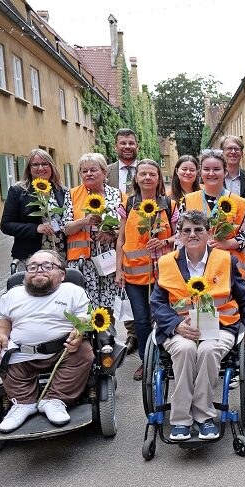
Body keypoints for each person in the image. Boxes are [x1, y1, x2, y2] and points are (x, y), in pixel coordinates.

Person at [151, 211, 245, 441]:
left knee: (209, 350)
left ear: (208, 232)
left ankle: (204, 416)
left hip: (220, 326)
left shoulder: (225, 259)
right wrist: (177, 325)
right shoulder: (166, 263)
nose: (193, 234)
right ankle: (180, 419)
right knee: (185, 349)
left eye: (198, 229)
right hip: (181, 328)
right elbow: (157, 304)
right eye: (187, 230)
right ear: (179, 235)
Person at [0, 250, 94, 432]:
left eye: (47, 266)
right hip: (21, 353)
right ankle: (23, 403)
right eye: (33, 266)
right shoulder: (13, 294)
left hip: (62, 352)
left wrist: (78, 334)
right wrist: (1, 333)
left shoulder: (73, 291)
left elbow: (84, 317)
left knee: (84, 351)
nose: (39, 270)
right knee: (1, 353)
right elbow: (1, 316)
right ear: (25, 274)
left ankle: (55, 400)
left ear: (62, 275)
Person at [115, 159, 178, 380]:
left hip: (163, 275)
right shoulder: (128, 204)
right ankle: (146, 360)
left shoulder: (169, 205)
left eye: (152, 174)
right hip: (133, 275)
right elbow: (121, 238)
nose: (148, 178)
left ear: (159, 178)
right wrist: (118, 270)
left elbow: (179, 236)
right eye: (143, 174)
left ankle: (163, 357)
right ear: (137, 178)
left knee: (162, 318)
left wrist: (165, 241)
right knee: (141, 320)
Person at [63, 153, 123, 315]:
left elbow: (125, 226)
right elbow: (66, 228)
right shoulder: (73, 194)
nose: (88, 174)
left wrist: (112, 233)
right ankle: (88, 339)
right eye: (84, 171)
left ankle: (106, 338)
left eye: (93, 170)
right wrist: (84, 221)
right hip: (82, 261)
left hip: (109, 258)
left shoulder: (117, 195)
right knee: (84, 305)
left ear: (104, 172)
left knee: (108, 303)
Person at [183, 149, 245, 279]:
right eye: (206, 169)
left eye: (216, 169)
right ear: (200, 172)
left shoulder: (240, 202)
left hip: (230, 268)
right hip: (195, 267)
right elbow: (179, 237)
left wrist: (228, 243)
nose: (211, 173)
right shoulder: (188, 200)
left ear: (225, 171)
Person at [0, 149, 67, 266]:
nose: (40, 168)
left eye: (45, 164)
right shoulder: (18, 191)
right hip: (30, 255)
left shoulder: (62, 191)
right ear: (29, 169)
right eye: (35, 165)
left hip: (60, 254)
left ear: (51, 167)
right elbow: (6, 225)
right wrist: (36, 228)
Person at [106, 128, 140, 353]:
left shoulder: (146, 169)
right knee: (122, 290)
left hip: (138, 239)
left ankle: (141, 332)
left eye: (131, 143)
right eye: (123, 143)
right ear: (116, 146)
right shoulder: (107, 171)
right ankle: (131, 333)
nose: (127, 147)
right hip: (110, 240)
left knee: (139, 288)